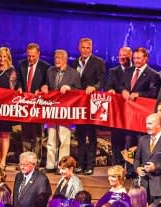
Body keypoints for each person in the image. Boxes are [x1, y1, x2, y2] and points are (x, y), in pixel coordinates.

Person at [41, 49, 81, 173]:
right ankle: (50, 165)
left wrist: (69, 88)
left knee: (64, 139)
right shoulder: (50, 71)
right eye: (55, 57)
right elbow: (46, 84)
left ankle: (62, 166)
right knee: (51, 138)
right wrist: (44, 86)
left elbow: (79, 90)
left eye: (59, 58)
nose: (56, 60)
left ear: (65, 59)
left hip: (65, 111)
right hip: (52, 110)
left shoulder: (73, 73)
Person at [72, 37, 105, 175]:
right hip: (79, 104)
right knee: (79, 136)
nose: (85, 50)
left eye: (87, 48)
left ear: (91, 48)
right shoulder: (74, 62)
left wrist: (94, 87)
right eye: (83, 47)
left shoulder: (98, 62)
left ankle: (90, 165)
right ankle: (80, 164)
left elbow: (102, 81)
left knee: (91, 136)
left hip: (92, 103)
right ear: (79, 48)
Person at [134, 113, 161, 205]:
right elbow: (137, 159)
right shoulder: (142, 140)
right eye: (146, 124)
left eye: (150, 124)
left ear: (159, 125)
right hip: (144, 185)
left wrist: (156, 167)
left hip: (160, 186)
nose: (147, 126)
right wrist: (137, 168)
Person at [17, 43, 50, 152]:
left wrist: (42, 89)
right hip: (24, 105)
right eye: (29, 56)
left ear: (38, 54)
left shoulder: (45, 67)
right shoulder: (21, 64)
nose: (31, 58)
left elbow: (47, 84)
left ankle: (35, 160)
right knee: (25, 133)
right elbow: (19, 81)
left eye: (33, 56)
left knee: (37, 135)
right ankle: (25, 158)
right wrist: (19, 88)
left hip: (38, 106)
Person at [105, 47, 132, 166]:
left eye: (125, 55)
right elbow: (108, 86)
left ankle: (131, 167)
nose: (122, 57)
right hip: (117, 112)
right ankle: (117, 165)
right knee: (116, 140)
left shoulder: (134, 71)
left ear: (130, 56)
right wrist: (110, 89)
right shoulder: (113, 71)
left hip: (131, 112)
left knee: (131, 141)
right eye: (120, 55)